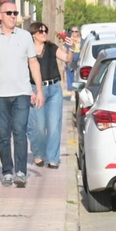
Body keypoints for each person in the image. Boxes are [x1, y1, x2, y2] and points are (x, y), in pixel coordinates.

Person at [0, 0, 44, 188]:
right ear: (0, 16)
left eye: (15, 13)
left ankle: (21, 172)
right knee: (4, 135)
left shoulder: (24, 37)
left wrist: (38, 90)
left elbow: (33, 63)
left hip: (22, 93)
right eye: (10, 13)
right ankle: (7, 171)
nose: (14, 16)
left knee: (20, 132)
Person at [28, 22, 71, 169]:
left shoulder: (52, 47)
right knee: (38, 127)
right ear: (33, 34)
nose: (44, 33)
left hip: (53, 90)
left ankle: (53, 158)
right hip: (35, 89)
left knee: (53, 126)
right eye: (40, 31)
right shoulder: (27, 50)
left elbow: (67, 58)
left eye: (45, 31)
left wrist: (71, 48)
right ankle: (38, 153)